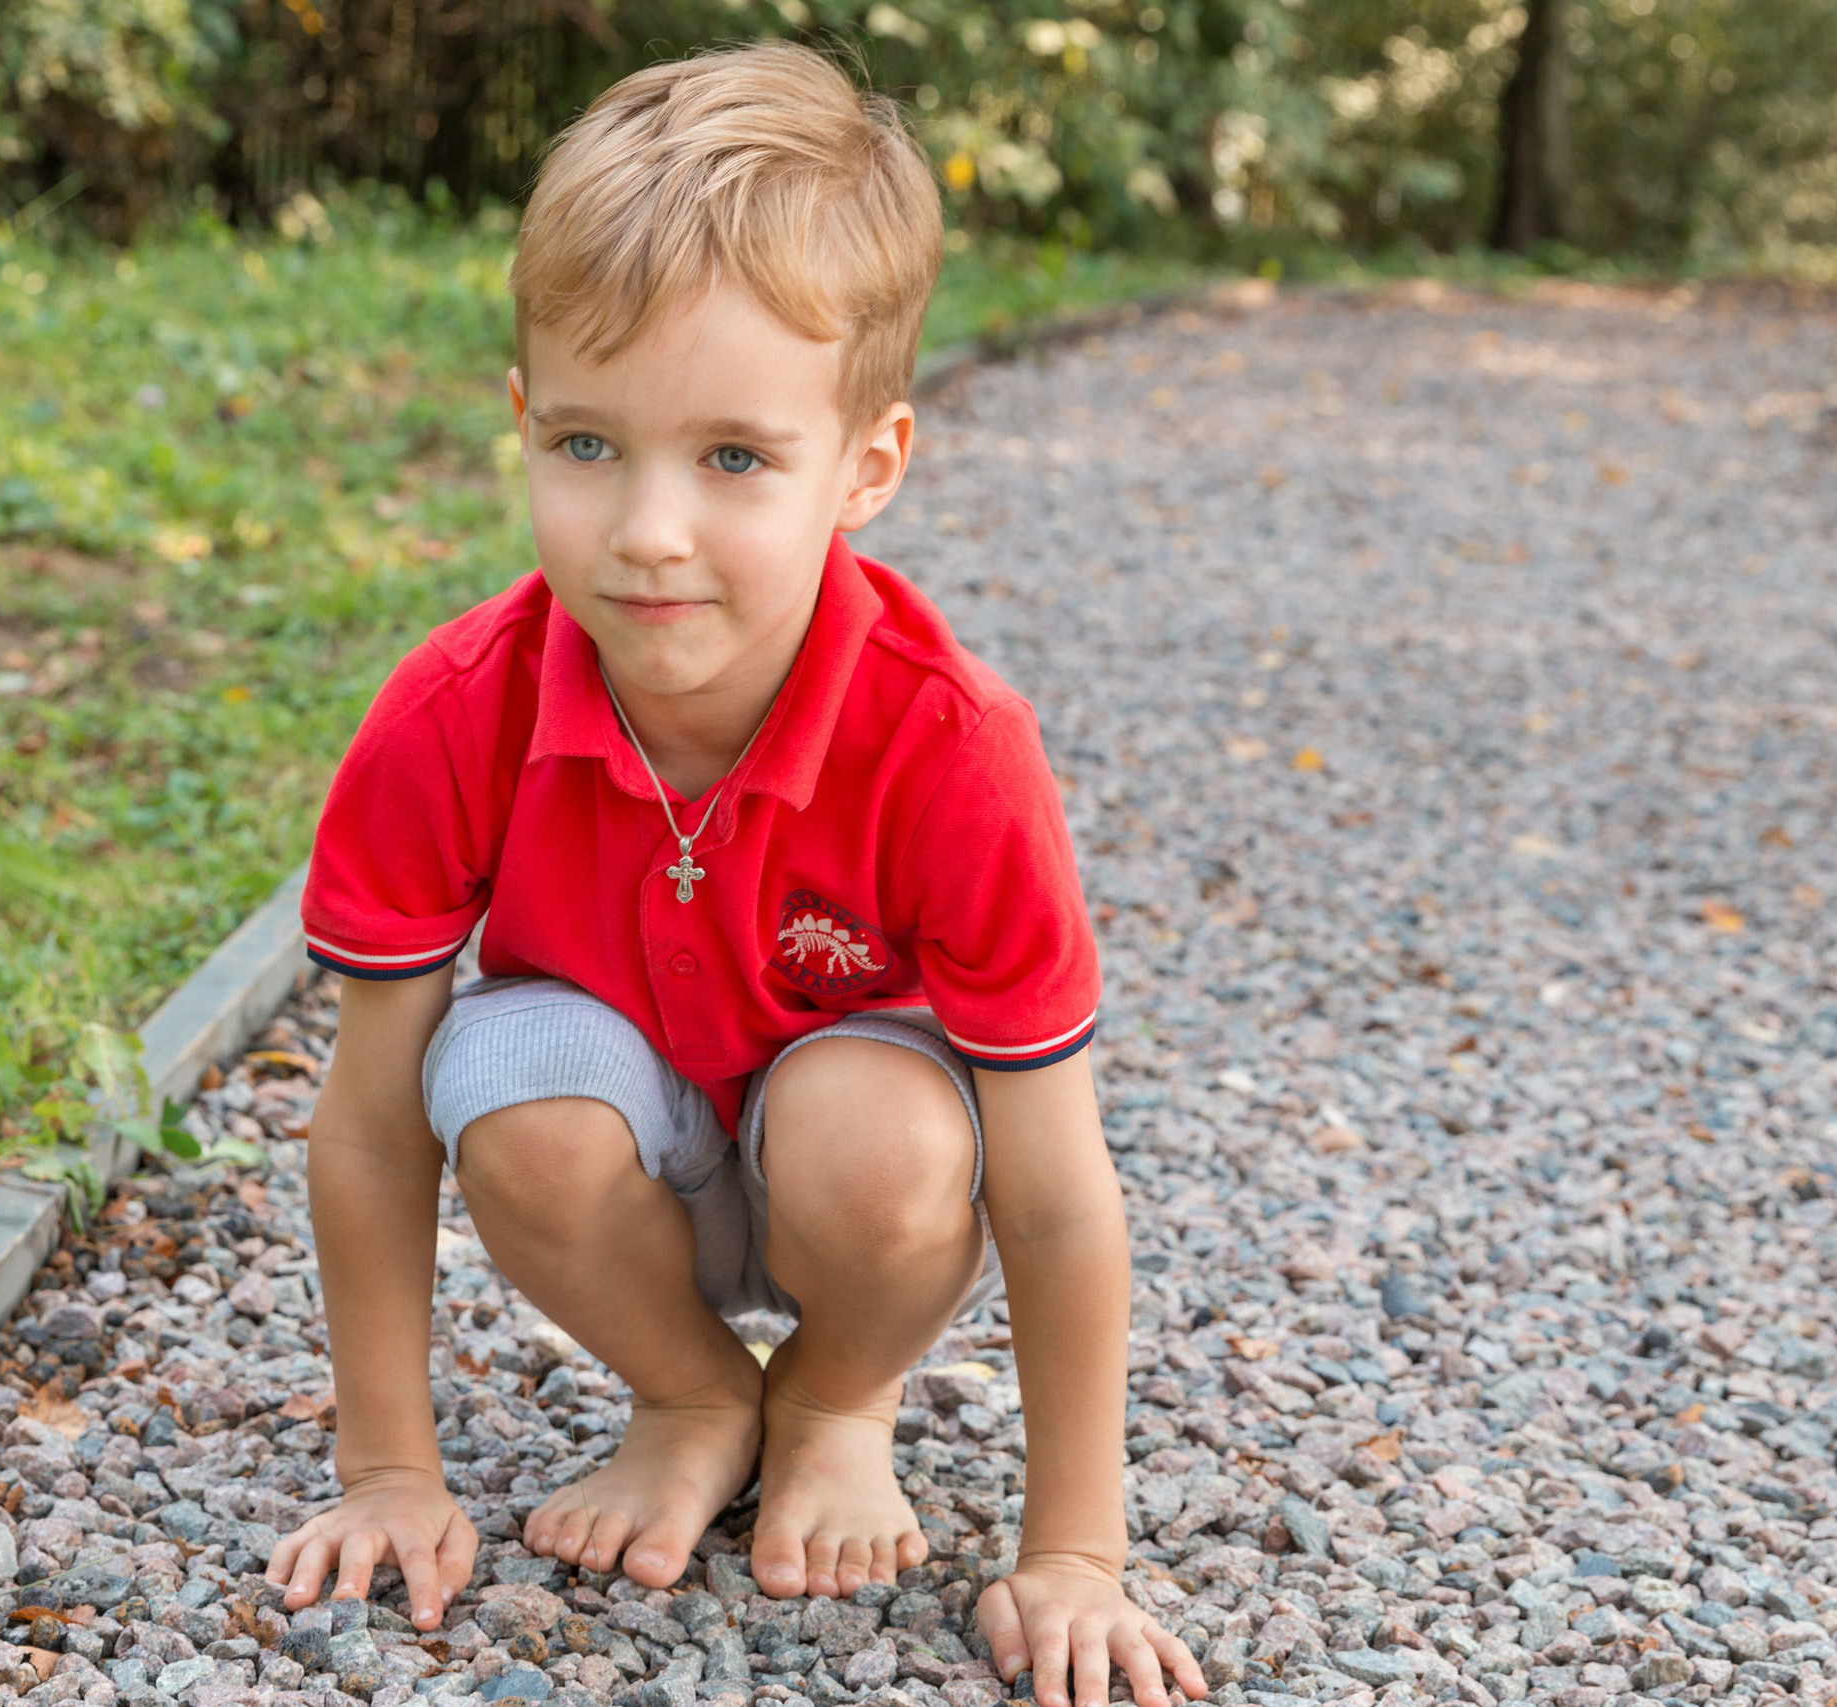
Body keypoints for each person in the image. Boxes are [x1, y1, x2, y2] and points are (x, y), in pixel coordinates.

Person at [264, 43, 1205, 1707]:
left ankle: (833, 1401)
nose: (648, 530)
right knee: (504, 1092)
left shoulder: (951, 743)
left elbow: (1057, 1191)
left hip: (867, 1192)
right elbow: (369, 1123)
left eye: (735, 460)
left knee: (879, 1132)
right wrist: (390, 1468)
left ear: (869, 464)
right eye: (587, 444)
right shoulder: (456, 709)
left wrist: (1074, 1554)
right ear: (521, 422)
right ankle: (696, 1393)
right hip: (626, 1163)